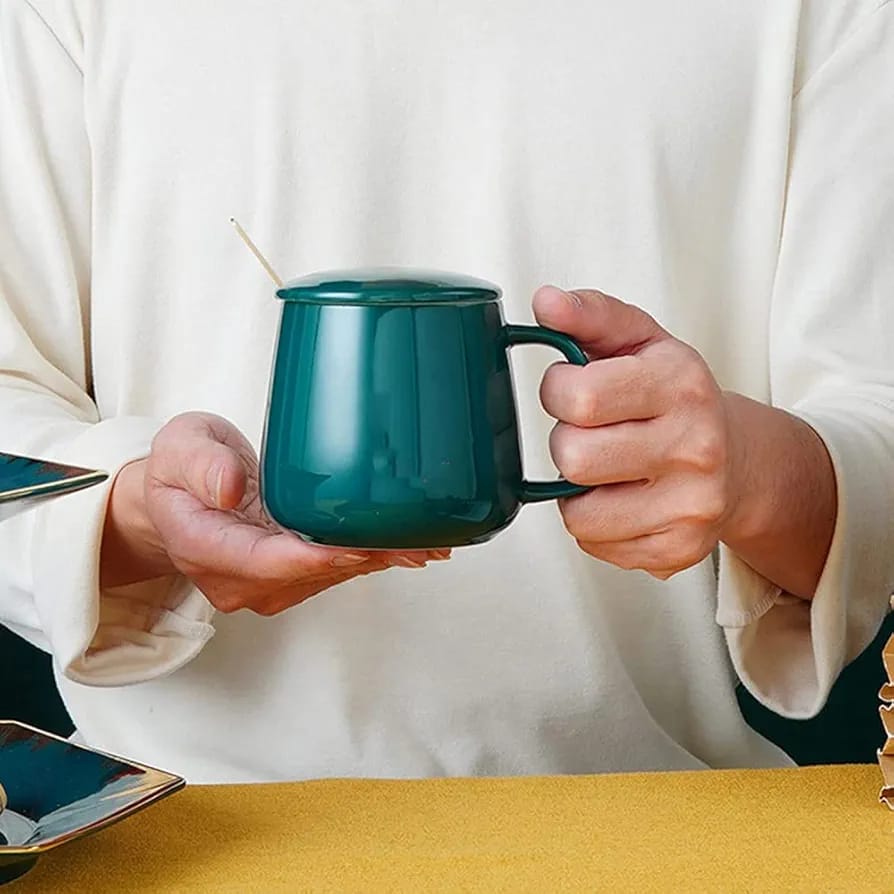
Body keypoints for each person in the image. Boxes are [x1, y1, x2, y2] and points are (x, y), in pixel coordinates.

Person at [0, 0, 891, 784]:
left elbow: (875, 413)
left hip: (655, 812)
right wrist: (136, 514)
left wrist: (750, 470)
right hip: (178, 824)